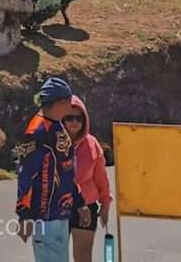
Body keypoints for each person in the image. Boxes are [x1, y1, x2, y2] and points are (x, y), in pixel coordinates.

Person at [16, 77, 86, 262]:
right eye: (69, 103)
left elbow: (67, 168)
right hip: (44, 217)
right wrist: (24, 214)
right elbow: (25, 174)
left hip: (61, 213)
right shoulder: (36, 132)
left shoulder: (57, 126)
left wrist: (79, 201)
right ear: (60, 102)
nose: (71, 108)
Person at [62, 96, 112, 262]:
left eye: (79, 118)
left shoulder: (92, 144)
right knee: (55, 257)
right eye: (69, 118)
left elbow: (101, 178)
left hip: (87, 207)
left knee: (83, 257)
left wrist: (105, 204)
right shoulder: (52, 143)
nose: (74, 122)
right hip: (58, 207)